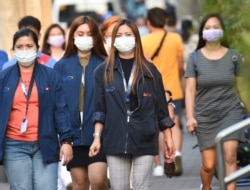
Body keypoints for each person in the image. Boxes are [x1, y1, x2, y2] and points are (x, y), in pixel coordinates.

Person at [89, 19, 175, 190]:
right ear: (113, 40)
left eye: (128, 35)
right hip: (115, 138)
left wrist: (168, 138)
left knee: (141, 186)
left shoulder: (150, 71)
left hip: (145, 137)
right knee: (119, 187)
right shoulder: (102, 71)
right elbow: (99, 109)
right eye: (119, 35)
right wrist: (97, 138)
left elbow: (161, 109)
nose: (124, 38)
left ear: (136, 38)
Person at [0, 28, 74, 190]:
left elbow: (61, 109)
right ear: (13, 50)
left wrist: (66, 140)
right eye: (20, 47)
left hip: (45, 143)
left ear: (37, 48)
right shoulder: (4, 77)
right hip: (14, 145)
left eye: (29, 46)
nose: (24, 50)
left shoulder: (50, 75)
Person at [185, 13, 247, 190]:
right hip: (205, 115)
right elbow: (190, 90)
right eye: (207, 28)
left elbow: (242, 89)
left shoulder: (234, 57)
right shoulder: (194, 58)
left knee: (230, 156)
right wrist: (190, 116)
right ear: (202, 32)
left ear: (222, 31)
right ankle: (206, 187)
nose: (212, 31)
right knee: (209, 165)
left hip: (230, 111)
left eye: (216, 27)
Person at [54, 16, 109, 190]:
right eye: (80, 33)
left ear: (96, 37)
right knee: (79, 185)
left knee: (98, 180)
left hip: (99, 135)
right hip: (73, 137)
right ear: (72, 36)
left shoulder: (105, 64)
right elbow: (58, 105)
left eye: (89, 33)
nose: (85, 37)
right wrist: (65, 139)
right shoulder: (61, 66)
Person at [141, 7, 184, 176]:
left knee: (158, 127)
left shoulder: (144, 41)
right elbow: (181, 65)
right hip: (174, 88)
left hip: (152, 90)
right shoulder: (175, 39)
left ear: (148, 23)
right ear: (166, 20)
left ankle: (158, 165)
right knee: (175, 123)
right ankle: (177, 153)